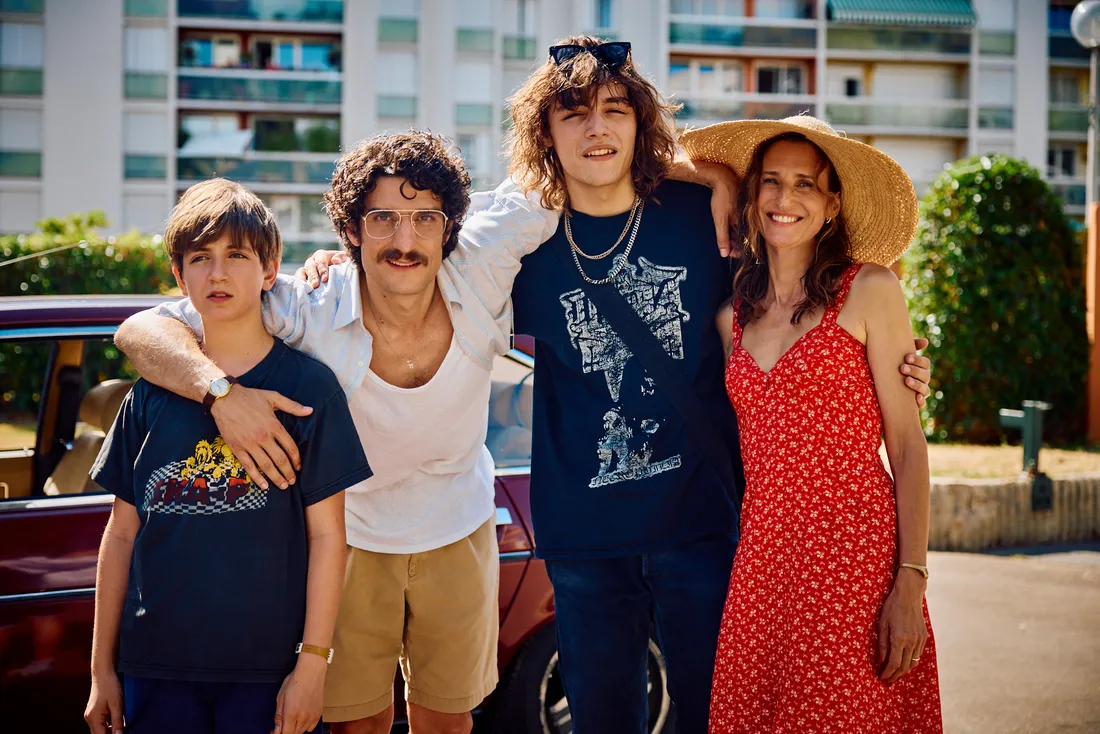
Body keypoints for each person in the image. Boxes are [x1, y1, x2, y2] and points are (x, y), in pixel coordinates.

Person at [300, 36, 934, 733]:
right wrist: (339, 262)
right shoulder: (519, 244)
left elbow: (798, 311)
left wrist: (899, 373)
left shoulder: (708, 219)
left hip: (704, 528)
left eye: (614, 110)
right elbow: (411, 255)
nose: (596, 127)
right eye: (572, 113)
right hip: (582, 540)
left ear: (640, 125)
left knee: (718, 720)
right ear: (547, 132)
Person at [112, 132, 559, 734]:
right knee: (358, 725)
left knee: (447, 723)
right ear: (350, 230)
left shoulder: (481, 262)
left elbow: (580, 162)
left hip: (458, 521)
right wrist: (220, 393)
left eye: (425, 217)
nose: (405, 240)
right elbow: (143, 330)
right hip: (347, 538)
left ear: (450, 224)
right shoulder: (311, 307)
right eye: (382, 219)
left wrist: (716, 173)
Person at [680, 115, 943, 732]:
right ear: (751, 197)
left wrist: (910, 583)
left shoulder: (871, 290)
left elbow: (907, 447)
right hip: (763, 564)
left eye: (805, 184)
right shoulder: (731, 320)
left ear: (832, 203)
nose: (785, 199)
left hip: (855, 564)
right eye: (770, 181)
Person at [83, 179, 372, 734]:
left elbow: (329, 537)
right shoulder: (150, 394)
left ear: (270, 269)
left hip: (267, 670)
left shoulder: (310, 388)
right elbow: (120, 535)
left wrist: (312, 666)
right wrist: (101, 669)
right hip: (154, 664)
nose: (217, 273)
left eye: (236, 255)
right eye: (201, 258)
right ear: (179, 276)